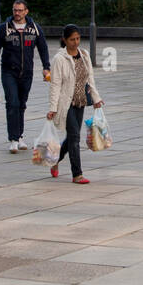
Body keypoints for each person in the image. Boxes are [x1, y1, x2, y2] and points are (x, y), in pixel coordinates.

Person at [0, 0, 51, 154]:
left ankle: (20, 136)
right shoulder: (4, 29)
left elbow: (43, 49)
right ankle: (13, 139)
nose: (17, 13)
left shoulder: (34, 29)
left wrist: (46, 68)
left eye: (20, 10)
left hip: (27, 73)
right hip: (9, 72)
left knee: (22, 104)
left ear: (26, 11)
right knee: (12, 103)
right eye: (15, 10)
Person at [45, 25, 104, 184]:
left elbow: (90, 79)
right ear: (64, 40)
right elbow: (55, 84)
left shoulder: (84, 55)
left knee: (72, 137)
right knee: (75, 137)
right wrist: (52, 108)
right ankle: (77, 174)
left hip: (81, 101)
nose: (76, 42)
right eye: (72, 39)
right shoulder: (59, 59)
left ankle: (55, 160)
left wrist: (96, 98)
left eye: (78, 38)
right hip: (66, 102)